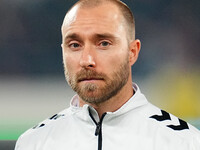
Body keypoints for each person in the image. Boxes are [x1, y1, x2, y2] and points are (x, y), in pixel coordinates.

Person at [15, 0, 200, 150]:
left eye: (103, 43)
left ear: (132, 52)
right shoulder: (33, 143)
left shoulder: (184, 143)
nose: (87, 60)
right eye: (75, 45)